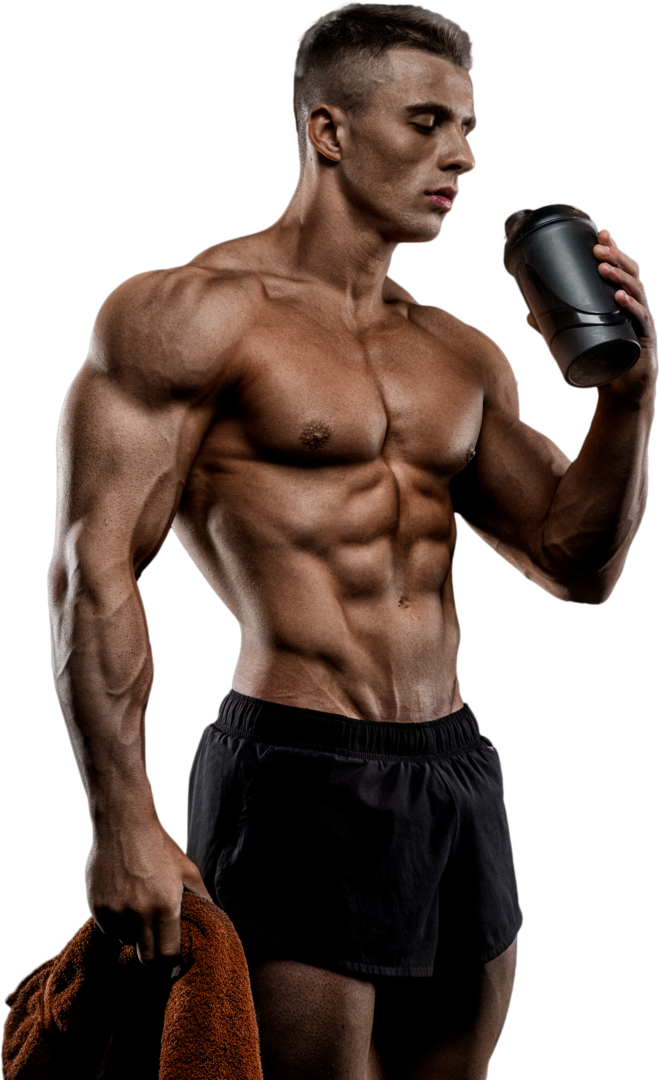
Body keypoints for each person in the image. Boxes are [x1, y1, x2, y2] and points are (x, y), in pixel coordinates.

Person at [47, 4, 655, 1077]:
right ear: (328, 130)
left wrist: (629, 402)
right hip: (297, 770)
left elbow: (575, 562)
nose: (459, 156)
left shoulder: (458, 355)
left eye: (464, 129)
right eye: (426, 123)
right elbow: (90, 574)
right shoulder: (188, 315)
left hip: (454, 765)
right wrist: (122, 820)